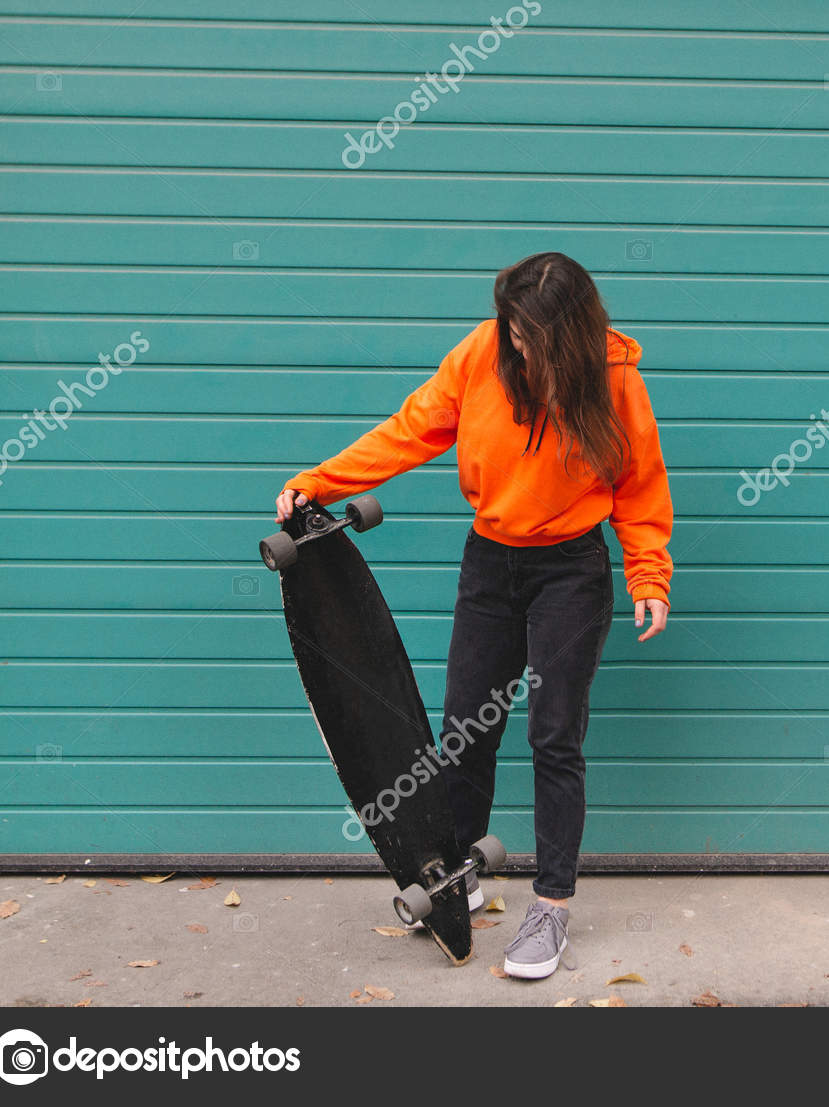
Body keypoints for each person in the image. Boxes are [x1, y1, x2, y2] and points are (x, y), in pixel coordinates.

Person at [274, 252, 673, 979]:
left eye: (529, 333)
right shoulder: (480, 355)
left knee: (554, 734)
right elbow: (410, 430)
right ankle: (460, 876)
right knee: (465, 728)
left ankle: (550, 905)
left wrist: (649, 572)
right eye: (511, 327)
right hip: (490, 562)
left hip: (570, 569)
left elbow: (638, 483)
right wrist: (317, 482)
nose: (516, 343)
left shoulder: (614, 382)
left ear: (569, 332)